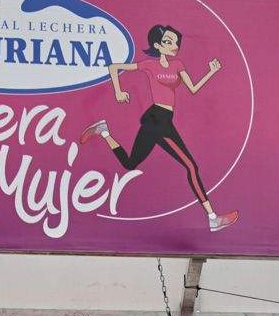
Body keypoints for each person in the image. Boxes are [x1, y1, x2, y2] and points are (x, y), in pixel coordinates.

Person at [79, 24, 239, 233]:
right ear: (157, 45)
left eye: (176, 42)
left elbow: (193, 89)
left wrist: (211, 72)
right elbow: (113, 67)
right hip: (157, 119)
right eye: (168, 42)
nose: (174, 46)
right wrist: (118, 91)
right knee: (191, 166)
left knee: (130, 163)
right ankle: (212, 218)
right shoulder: (149, 65)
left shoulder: (178, 65)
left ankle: (104, 131)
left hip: (162, 120)